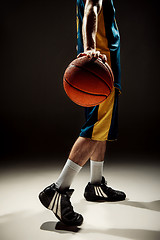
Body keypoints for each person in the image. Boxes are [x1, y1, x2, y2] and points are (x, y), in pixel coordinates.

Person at [39, 0, 126, 226]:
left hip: (101, 66)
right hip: (100, 65)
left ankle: (96, 185)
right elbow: (91, 9)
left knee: (100, 126)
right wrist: (90, 49)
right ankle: (57, 190)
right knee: (95, 128)